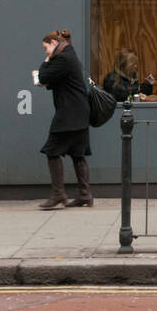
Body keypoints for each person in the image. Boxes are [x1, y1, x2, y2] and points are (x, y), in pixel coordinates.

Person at [37, 29, 93, 209]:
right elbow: (58, 80)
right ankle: (85, 195)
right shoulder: (69, 55)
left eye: (46, 47)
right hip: (78, 112)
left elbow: (44, 76)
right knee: (78, 153)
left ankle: (58, 194)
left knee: (52, 150)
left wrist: (47, 61)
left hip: (69, 113)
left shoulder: (62, 58)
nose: (45, 52)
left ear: (53, 43)